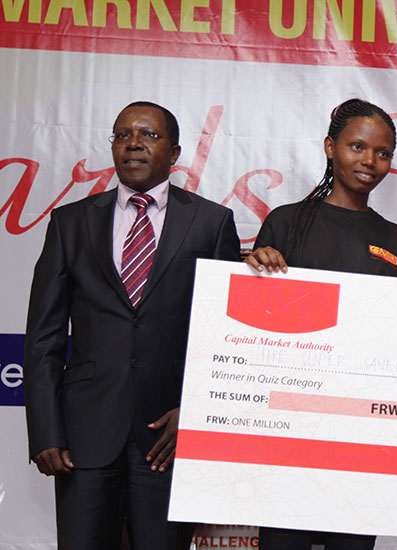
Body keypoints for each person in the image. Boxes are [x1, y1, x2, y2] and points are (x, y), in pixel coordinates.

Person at [247, 99, 397, 550]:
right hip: (290, 433)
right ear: (329, 147)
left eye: (382, 153)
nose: (369, 161)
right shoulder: (284, 223)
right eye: (357, 146)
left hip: (362, 437)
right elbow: (257, 322)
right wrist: (255, 267)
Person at [23, 101, 240, 550]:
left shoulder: (212, 223)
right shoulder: (70, 223)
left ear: (175, 152)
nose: (134, 144)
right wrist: (45, 431)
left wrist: (196, 412)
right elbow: (43, 337)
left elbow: (225, 336)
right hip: (83, 437)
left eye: (149, 135)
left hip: (169, 436)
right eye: (123, 135)